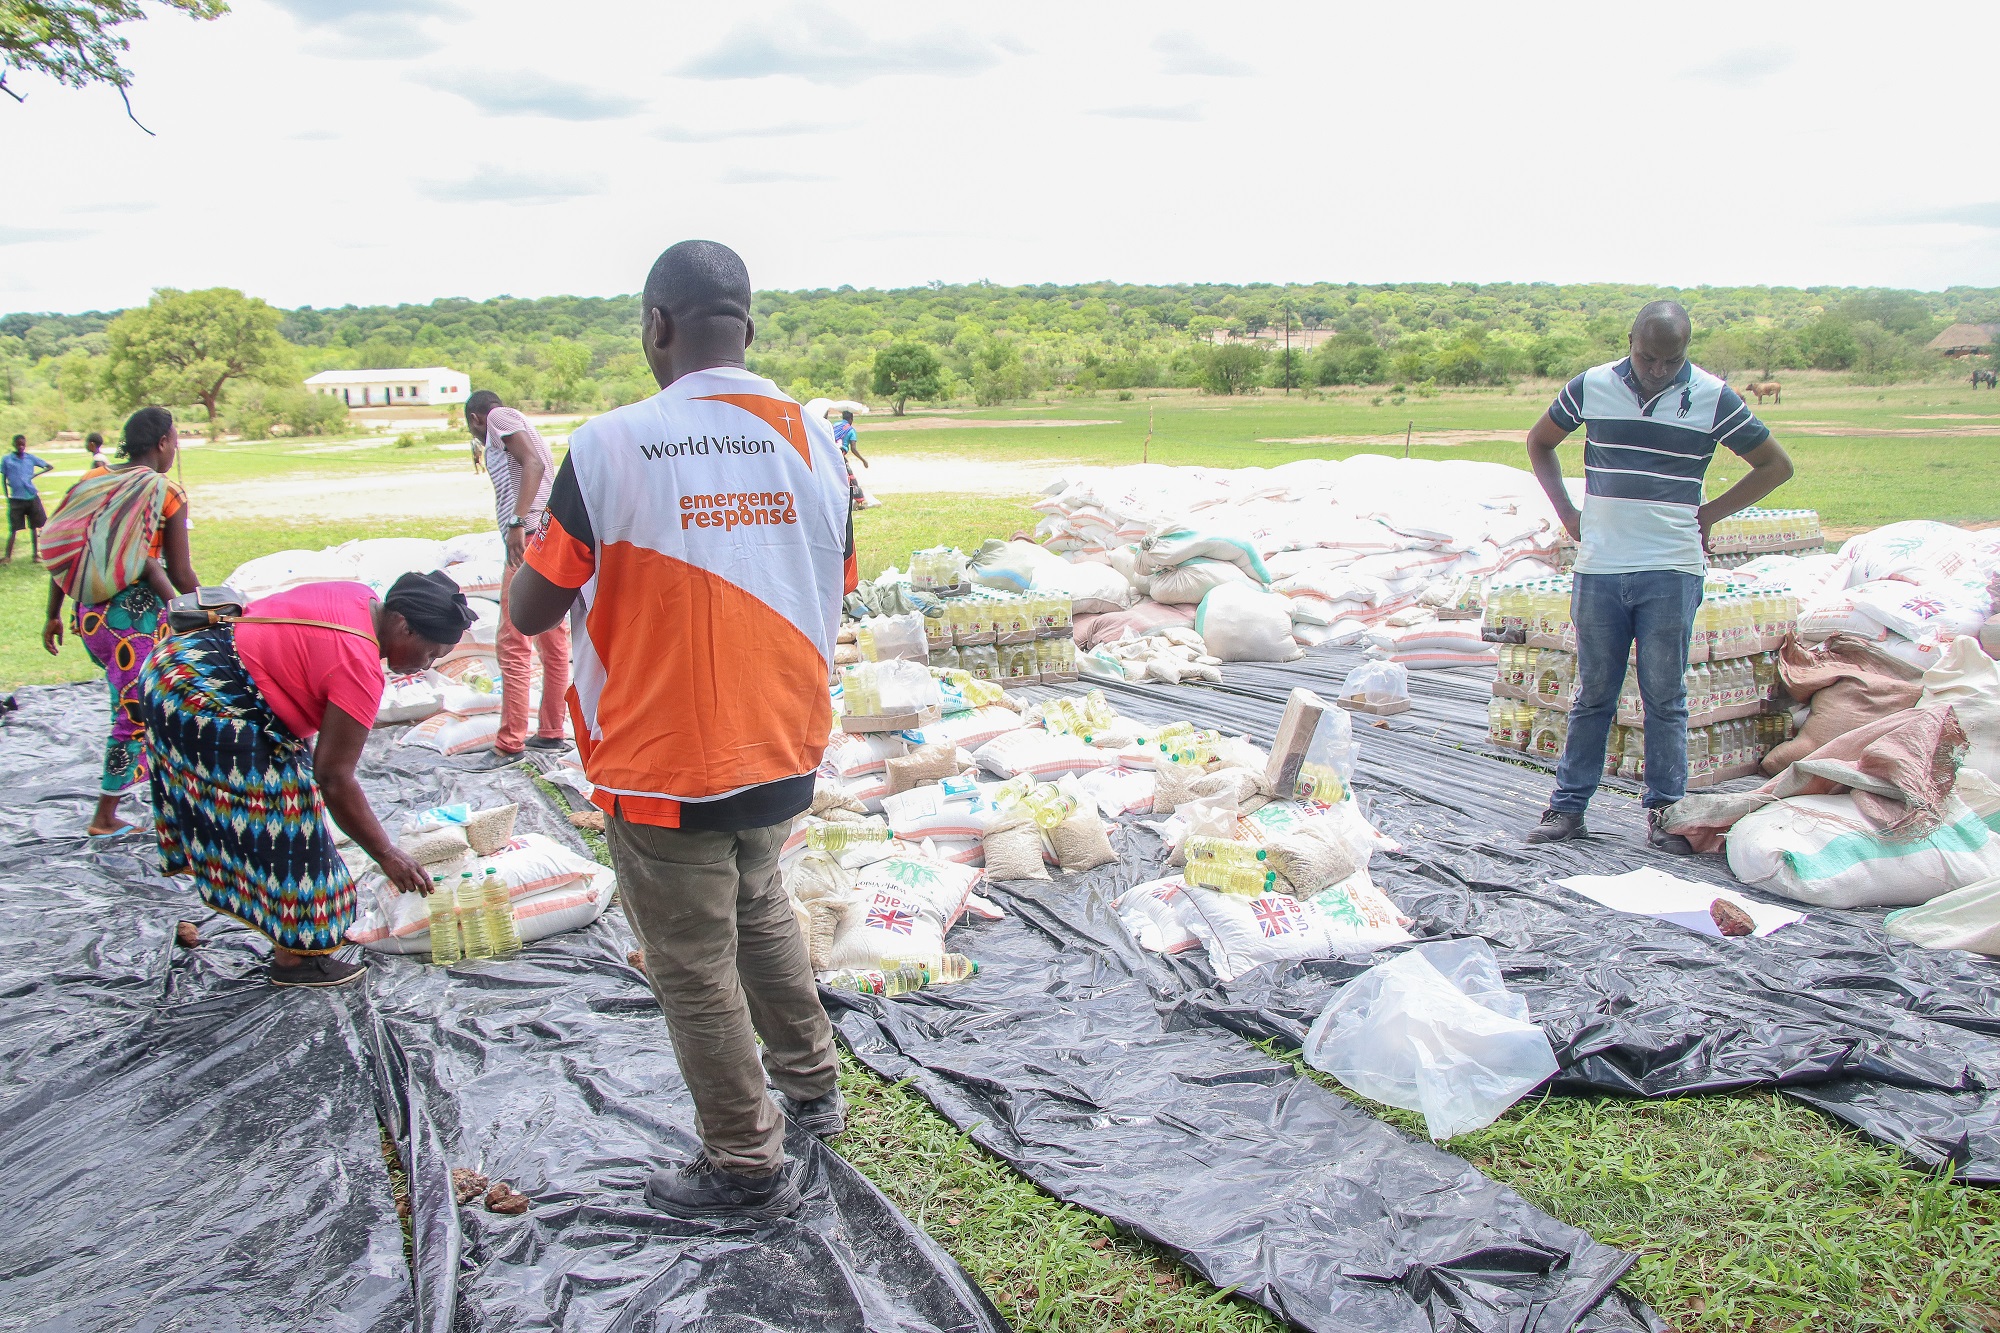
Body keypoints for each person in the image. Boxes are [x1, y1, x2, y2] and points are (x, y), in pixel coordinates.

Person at [510, 239, 856, 1220]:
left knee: (691, 960)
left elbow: (534, 608)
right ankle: (813, 1089)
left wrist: (523, 532)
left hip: (667, 760)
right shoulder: (816, 439)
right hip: (782, 740)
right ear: (746, 324)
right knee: (758, 905)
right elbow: (830, 582)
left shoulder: (611, 444)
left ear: (655, 326)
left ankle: (743, 1159)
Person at [1523, 300, 1794, 851]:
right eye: (1648, 358)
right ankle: (1568, 808)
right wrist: (1568, 515)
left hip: (1671, 569)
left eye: (1671, 362)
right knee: (1593, 693)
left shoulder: (1714, 397)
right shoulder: (1591, 387)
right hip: (1601, 567)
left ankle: (1666, 812)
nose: (1657, 371)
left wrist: (1709, 513)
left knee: (1664, 696)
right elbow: (1540, 442)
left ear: (1685, 353)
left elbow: (1776, 465)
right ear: (1630, 342)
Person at [140, 572, 473, 987]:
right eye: (429, 652)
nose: (426, 665)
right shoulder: (359, 666)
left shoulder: (357, 597)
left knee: (293, 792)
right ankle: (297, 961)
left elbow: (297, 672)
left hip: (180, 664)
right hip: (203, 696)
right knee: (292, 828)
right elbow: (334, 778)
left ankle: (285, 937)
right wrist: (386, 853)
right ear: (404, 626)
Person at [39, 407, 199, 836]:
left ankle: (169, 804)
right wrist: (204, 611)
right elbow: (179, 572)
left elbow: (68, 552)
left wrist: (53, 614)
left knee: (146, 706)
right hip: (135, 624)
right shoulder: (164, 492)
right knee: (138, 712)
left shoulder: (93, 481)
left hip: (92, 618)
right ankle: (105, 816)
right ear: (164, 442)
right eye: (175, 440)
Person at [464, 389, 571, 756]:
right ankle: (552, 730)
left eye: (473, 432)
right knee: (553, 641)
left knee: (513, 640)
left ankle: (509, 742)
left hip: (528, 537)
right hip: (547, 533)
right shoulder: (518, 421)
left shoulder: (498, 418)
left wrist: (516, 521)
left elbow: (533, 465)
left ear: (476, 418)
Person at [3, 434, 53, 564]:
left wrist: (34, 475)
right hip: (16, 498)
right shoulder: (7, 460)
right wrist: (7, 495)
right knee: (14, 528)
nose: (21, 447)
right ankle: (7, 556)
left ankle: (35, 555)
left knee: (35, 526)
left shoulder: (30, 458)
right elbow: (3, 479)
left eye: (23, 445)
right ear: (14, 444)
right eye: (18, 444)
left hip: (31, 496)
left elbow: (49, 466)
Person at [830, 408, 877, 509]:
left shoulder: (835, 425)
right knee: (850, 478)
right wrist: (863, 460)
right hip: (840, 456)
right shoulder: (851, 430)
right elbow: (854, 449)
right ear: (851, 419)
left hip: (830, 454)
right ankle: (857, 499)